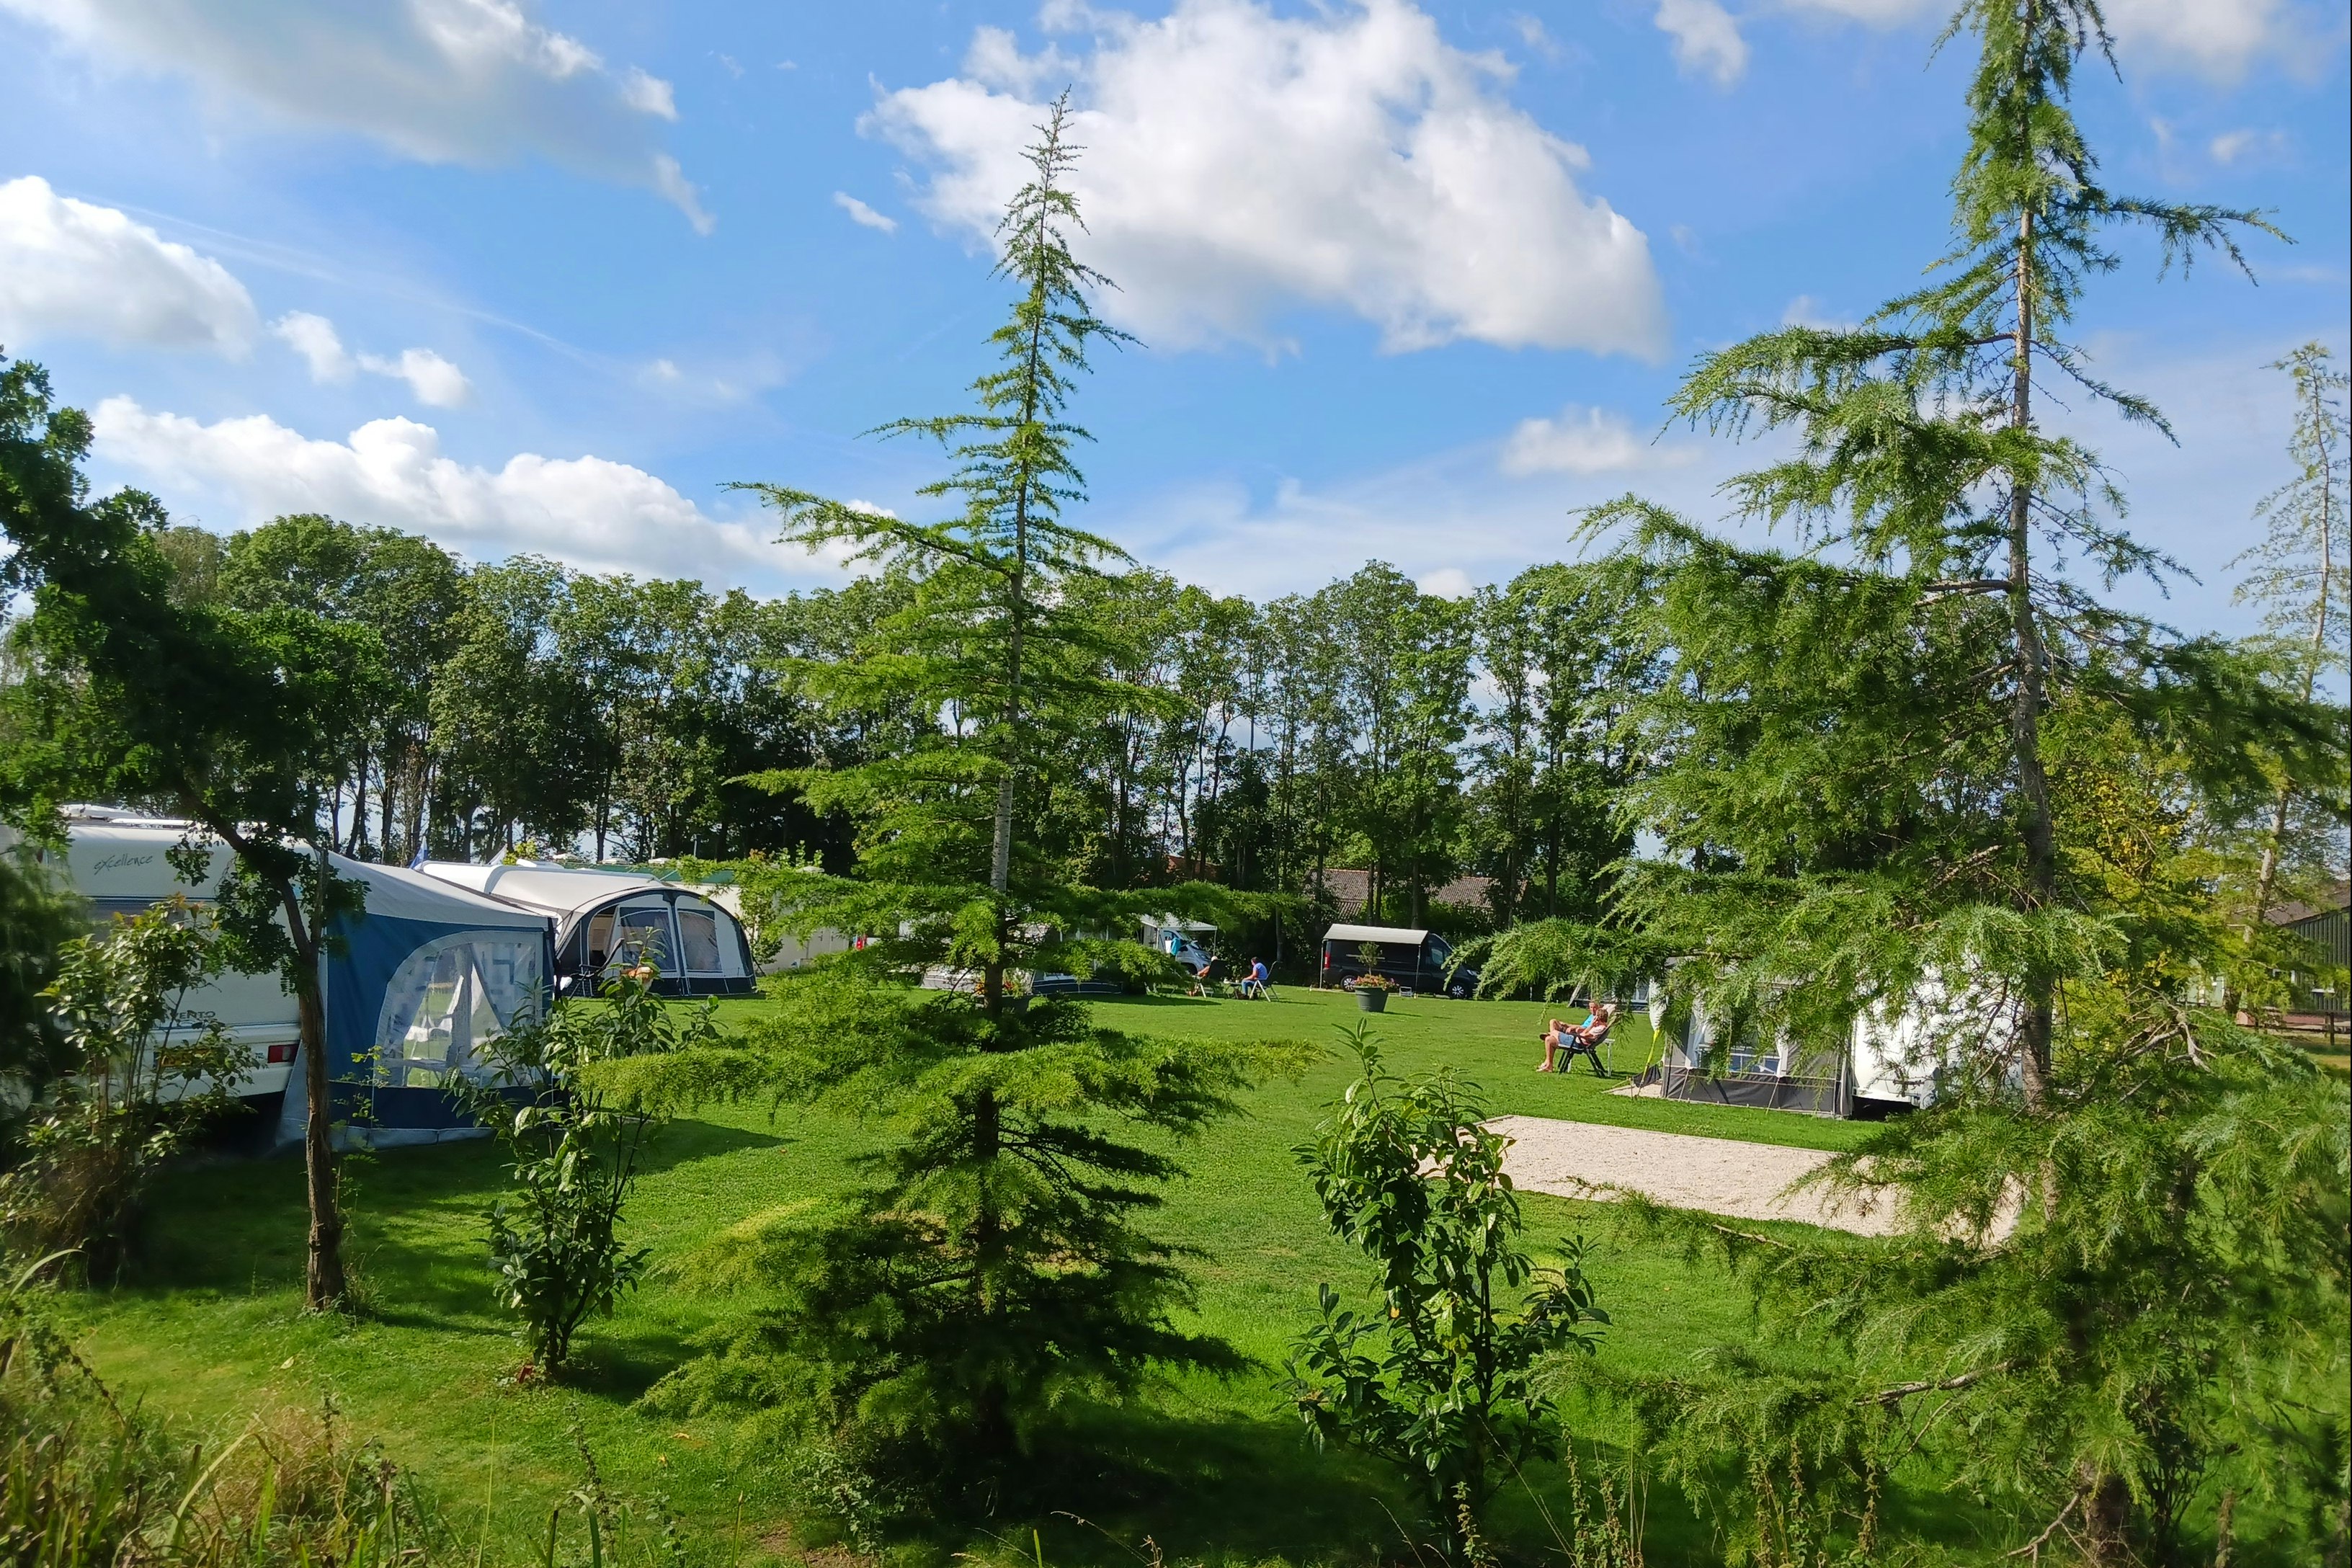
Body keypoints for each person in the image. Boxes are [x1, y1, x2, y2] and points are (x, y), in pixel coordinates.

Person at [1537, 1003, 1616, 1075]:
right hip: (1577, 1040)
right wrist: (1591, 1026)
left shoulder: (1599, 1028)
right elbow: (1585, 1033)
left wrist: (1591, 1026)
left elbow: (1584, 1034)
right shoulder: (1599, 1027)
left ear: (1598, 1018)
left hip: (1577, 1043)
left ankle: (1550, 1035)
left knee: (1554, 1032)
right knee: (1549, 1040)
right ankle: (1549, 1065)